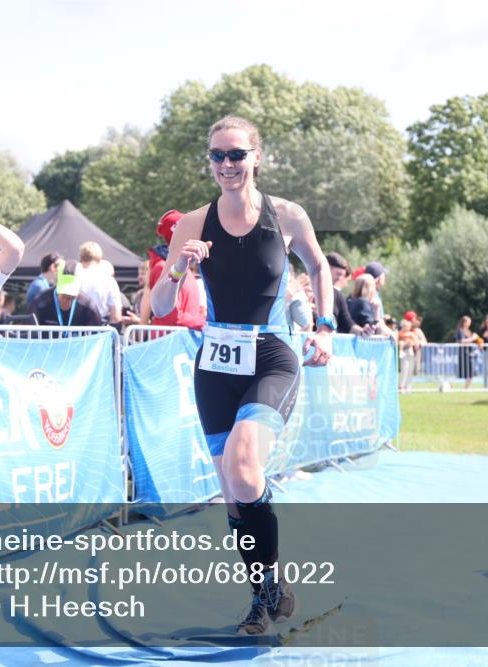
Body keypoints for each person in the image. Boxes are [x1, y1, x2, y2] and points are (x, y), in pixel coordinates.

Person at [150, 115, 333, 635]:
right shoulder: (191, 224)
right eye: (217, 155)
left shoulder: (287, 215)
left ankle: (270, 584)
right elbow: (159, 306)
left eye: (236, 154)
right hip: (215, 365)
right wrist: (180, 268)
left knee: (246, 468)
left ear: (256, 157)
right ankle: (264, 594)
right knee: (233, 492)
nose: (226, 164)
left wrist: (324, 328)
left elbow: (319, 266)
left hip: (271, 355)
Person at [144, 210, 206, 330]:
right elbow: (171, 315)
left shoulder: (186, 267)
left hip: (185, 337)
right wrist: (205, 323)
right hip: (169, 338)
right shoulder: (162, 267)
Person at [29, 261, 103, 334]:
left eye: (72, 297)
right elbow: (28, 334)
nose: (66, 300)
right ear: (57, 284)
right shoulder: (41, 302)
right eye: (64, 294)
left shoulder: (88, 306)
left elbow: (98, 337)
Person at [325, 251, 361, 335]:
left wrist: (362, 331)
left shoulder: (338, 295)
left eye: (342, 275)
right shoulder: (310, 289)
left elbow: (347, 322)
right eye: (338, 274)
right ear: (327, 268)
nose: (340, 278)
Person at [456, 315, 481, 390]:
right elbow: (462, 341)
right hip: (464, 353)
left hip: (470, 353)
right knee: (466, 372)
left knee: (470, 372)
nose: (470, 323)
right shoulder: (460, 331)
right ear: (464, 322)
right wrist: (472, 338)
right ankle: (465, 388)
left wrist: (477, 340)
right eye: (468, 322)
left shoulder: (469, 331)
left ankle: (466, 387)